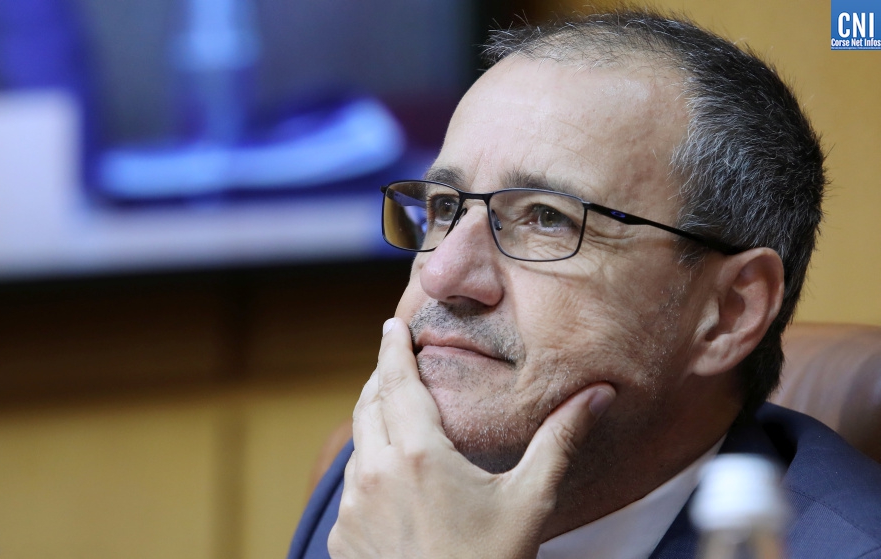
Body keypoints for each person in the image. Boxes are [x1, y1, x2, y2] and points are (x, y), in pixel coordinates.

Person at [289, 9, 881, 559]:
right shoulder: (385, 488)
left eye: (548, 218)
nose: (443, 275)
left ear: (728, 311)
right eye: (445, 208)